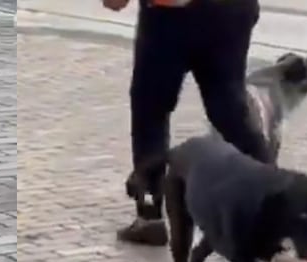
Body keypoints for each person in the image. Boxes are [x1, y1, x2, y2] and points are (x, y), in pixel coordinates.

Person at [104, 0, 272, 245]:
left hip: (171, 14)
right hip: (230, 12)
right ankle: (279, 206)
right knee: (231, 113)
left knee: (150, 109)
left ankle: (150, 216)